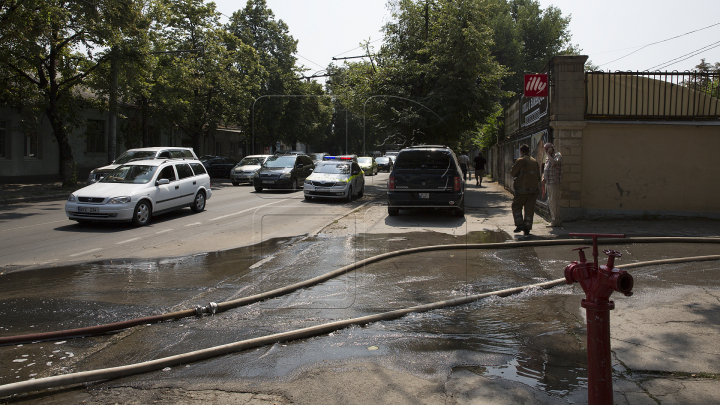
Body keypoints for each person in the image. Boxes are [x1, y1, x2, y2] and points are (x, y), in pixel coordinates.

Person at [510, 144, 541, 235]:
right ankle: (527, 228)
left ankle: (520, 224)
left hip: (522, 189)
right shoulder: (534, 161)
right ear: (529, 151)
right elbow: (538, 177)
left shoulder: (520, 160)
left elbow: (513, 173)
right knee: (529, 209)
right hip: (534, 190)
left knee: (516, 206)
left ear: (521, 152)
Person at [542, 142, 563, 227]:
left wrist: (549, 155)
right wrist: (543, 177)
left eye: (547, 149)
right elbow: (546, 168)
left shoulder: (557, 155)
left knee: (554, 201)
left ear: (551, 148)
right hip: (549, 182)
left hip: (554, 182)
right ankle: (554, 220)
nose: (546, 151)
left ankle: (555, 220)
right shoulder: (548, 157)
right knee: (551, 201)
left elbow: (554, 163)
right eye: (545, 149)